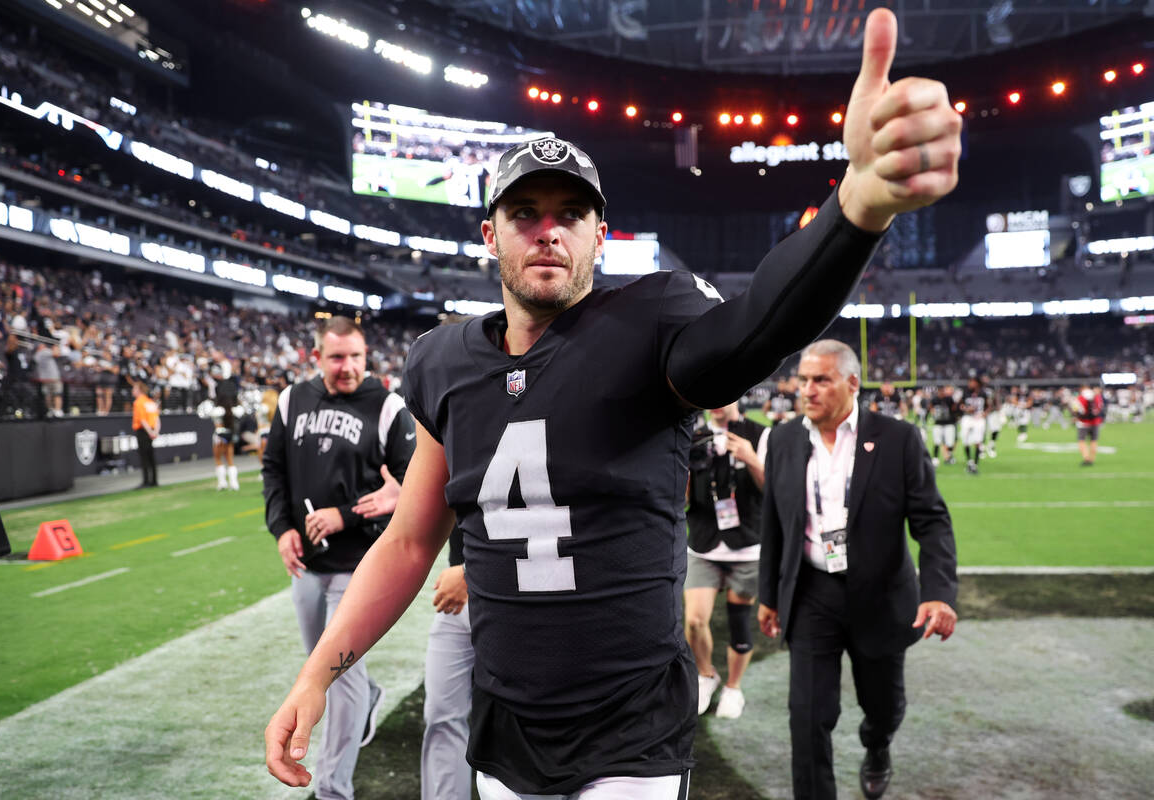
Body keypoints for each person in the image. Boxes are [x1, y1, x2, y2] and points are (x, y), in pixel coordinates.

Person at [266, 10, 962, 798]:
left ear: (602, 234)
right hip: (506, 733)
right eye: (525, 215)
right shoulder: (443, 360)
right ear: (488, 234)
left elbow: (754, 329)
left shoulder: (652, 321)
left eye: (571, 215)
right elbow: (407, 542)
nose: (548, 233)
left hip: (629, 738)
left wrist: (856, 208)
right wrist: (317, 675)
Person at [757, 340, 958, 800]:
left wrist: (939, 591)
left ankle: (878, 744)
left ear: (852, 383)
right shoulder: (784, 438)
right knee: (807, 717)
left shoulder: (898, 438)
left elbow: (931, 521)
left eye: (821, 380)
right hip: (811, 594)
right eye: (803, 380)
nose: (807, 390)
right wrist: (769, 594)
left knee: (883, 707)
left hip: (881, 595)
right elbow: (774, 522)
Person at [261, 316, 416, 800]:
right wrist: (281, 528)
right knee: (317, 668)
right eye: (337, 357)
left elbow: (412, 489)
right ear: (316, 358)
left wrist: (347, 515)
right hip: (308, 564)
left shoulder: (389, 408)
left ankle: (333, 789)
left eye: (355, 357)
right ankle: (369, 698)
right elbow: (273, 469)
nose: (347, 367)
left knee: (339, 675)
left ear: (366, 356)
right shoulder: (292, 400)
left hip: (362, 565)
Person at [685, 402, 768, 720]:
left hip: (747, 545)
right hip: (704, 544)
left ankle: (734, 687)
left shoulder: (760, 435)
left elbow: (773, 491)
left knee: (739, 624)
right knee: (694, 621)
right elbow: (683, 500)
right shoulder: (692, 435)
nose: (718, 403)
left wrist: (750, 459)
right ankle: (706, 675)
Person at [421, 526, 474, 800]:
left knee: (526, 722)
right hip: (457, 600)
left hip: (526, 598)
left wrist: (471, 572)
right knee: (441, 714)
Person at [131, 381, 160, 488]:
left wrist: (150, 432)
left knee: (144, 457)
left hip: (143, 431)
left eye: (134, 389)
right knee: (151, 456)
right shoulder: (151, 402)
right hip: (151, 431)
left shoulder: (138, 402)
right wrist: (155, 432)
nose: (132, 391)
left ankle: (146, 481)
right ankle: (154, 480)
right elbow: (157, 419)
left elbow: (142, 420)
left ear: (139, 390)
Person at [959, 377, 987, 474]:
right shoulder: (965, 392)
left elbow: (989, 406)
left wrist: (984, 414)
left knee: (978, 441)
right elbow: (960, 405)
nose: (970, 384)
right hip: (968, 417)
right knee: (965, 440)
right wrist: (966, 409)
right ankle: (970, 461)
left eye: (972, 382)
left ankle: (975, 463)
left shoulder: (983, 393)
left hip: (979, 419)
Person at [1073, 383, 1104, 466]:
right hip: (1095, 422)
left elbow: (1076, 409)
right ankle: (1092, 459)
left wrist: (1075, 417)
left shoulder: (1080, 398)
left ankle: (1086, 458)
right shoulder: (1097, 397)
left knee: (1081, 441)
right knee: (1093, 441)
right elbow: (1100, 408)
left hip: (1083, 423)